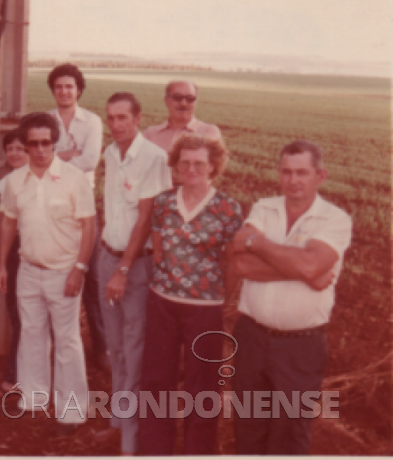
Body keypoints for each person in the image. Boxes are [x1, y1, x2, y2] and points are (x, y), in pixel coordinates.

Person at [226, 140, 352, 455]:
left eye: (302, 173)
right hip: (251, 337)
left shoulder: (335, 219)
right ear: (279, 174)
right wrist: (304, 270)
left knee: (291, 433)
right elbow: (240, 263)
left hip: (300, 347)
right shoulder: (263, 207)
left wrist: (258, 242)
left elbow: (312, 264)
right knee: (248, 428)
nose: (293, 180)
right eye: (286, 172)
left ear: (320, 176)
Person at [139, 135, 243, 455]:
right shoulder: (163, 202)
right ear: (176, 165)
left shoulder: (228, 208)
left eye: (199, 163)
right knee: (157, 381)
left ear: (213, 166)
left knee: (204, 387)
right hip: (162, 303)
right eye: (184, 162)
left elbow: (234, 263)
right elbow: (158, 249)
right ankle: (155, 451)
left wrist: (215, 294)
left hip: (205, 308)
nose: (191, 168)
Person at [0, 112, 96, 424]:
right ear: (25, 146)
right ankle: (35, 398)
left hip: (63, 272)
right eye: (33, 144)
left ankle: (72, 411)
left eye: (46, 143)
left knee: (67, 340)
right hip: (28, 270)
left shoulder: (73, 178)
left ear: (55, 143)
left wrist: (79, 268)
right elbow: (9, 221)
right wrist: (1, 265)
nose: (40, 149)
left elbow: (89, 225)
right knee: (31, 333)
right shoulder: (13, 182)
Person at [97, 92, 171, 455]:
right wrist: (108, 263)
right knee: (115, 347)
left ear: (139, 119)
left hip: (134, 267)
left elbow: (145, 219)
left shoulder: (154, 158)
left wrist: (123, 269)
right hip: (106, 259)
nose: (116, 125)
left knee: (134, 346)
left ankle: (131, 438)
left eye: (123, 117)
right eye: (110, 118)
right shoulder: (110, 154)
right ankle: (117, 422)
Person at [46, 63, 108, 370]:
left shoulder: (92, 121)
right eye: (58, 87)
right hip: (53, 206)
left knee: (92, 276)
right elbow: (39, 159)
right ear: (53, 91)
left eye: (69, 86)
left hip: (84, 208)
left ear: (78, 90)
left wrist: (56, 158)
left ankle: (102, 347)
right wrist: (65, 155)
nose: (64, 91)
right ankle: (56, 343)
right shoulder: (46, 121)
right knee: (55, 272)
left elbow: (90, 160)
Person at [0, 128, 28, 395]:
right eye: (10, 149)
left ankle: (20, 377)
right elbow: (7, 227)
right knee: (18, 315)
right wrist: (2, 264)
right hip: (18, 250)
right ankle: (17, 375)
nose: (15, 153)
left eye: (21, 148)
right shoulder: (6, 183)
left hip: (42, 251)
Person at [143, 80, 221, 153]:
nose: (183, 103)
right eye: (177, 97)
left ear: (196, 102)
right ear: (166, 101)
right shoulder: (150, 135)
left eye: (190, 98)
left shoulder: (208, 133)